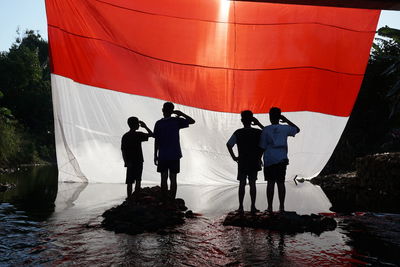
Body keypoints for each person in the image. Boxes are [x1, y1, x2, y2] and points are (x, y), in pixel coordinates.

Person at [259, 107, 300, 213]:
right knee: (281, 183)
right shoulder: (285, 128)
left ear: (270, 117)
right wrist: (285, 120)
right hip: (282, 159)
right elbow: (297, 129)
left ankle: (269, 207)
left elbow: (262, 147)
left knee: (270, 183)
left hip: (269, 160)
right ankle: (282, 207)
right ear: (279, 116)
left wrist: (259, 159)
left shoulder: (266, 130)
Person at [154, 102, 195, 199]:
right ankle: (172, 200)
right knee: (173, 178)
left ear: (163, 110)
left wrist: (155, 155)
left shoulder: (159, 123)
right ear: (172, 111)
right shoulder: (176, 121)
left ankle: (165, 200)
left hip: (163, 154)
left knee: (163, 178)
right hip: (175, 154)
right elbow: (192, 121)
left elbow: (157, 140)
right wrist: (181, 114)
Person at [227, 110, 264, 213]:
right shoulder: (258, 132)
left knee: (242, 183)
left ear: (242, 120)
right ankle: (253, 207)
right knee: (253, 183)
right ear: (251, 119)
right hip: (254, 161)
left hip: (242, 161)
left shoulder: (238, 132)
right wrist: (258, 123)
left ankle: (241, 207)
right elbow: (267, 135)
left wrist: (234, 157)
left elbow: (229, 144)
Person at [121, 117, 153, 198]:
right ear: (136, 125)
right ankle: (136, 197)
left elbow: (123, 150)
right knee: (138, 180)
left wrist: (126, 162)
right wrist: (145, 126)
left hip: (130, 161)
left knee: (129, 182)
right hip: (138, 160)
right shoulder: (139, 134)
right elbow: (152, 134)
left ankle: (129, 198)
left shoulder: (125, 136)